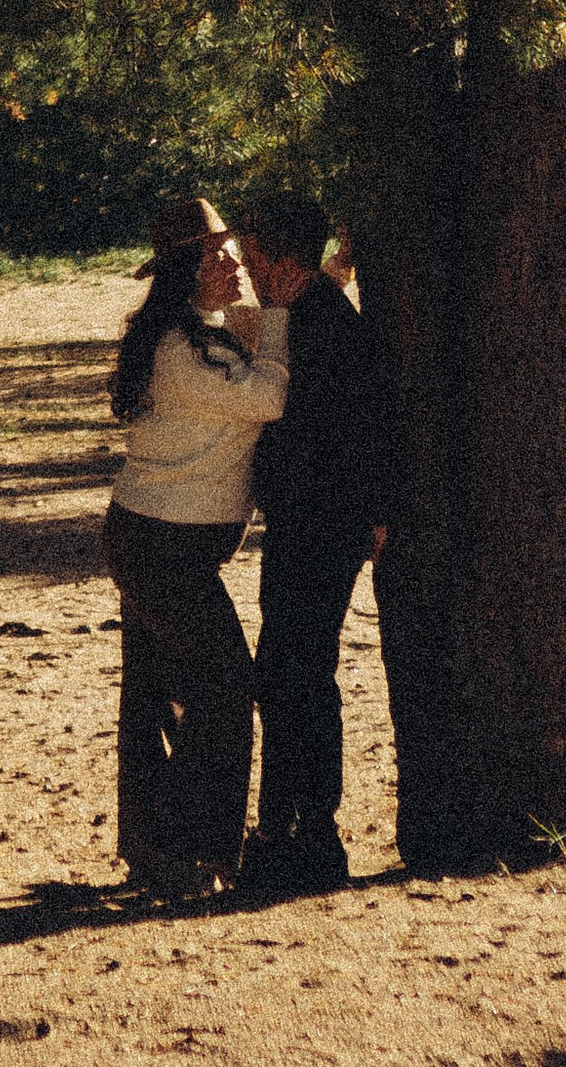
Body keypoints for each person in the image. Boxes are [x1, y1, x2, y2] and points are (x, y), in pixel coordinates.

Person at [103, 195, 291, 900]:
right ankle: (190, 849)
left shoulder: (196, 331)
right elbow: (269, 397)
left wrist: (314, 283)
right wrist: (277, 314)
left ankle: (154, 847)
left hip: (152, 540)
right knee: (224, 688)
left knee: (155, 693)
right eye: (216, 255)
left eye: (232, 249)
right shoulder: (181, 352)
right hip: (160, 548)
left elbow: (251, 342)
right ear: (184, 270)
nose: (234, 262)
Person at [235, 190, 392, 896]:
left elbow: (363, 427)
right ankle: (291, 828)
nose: (246, 267)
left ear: (280, 261)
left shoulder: (319, 325)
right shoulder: (309, 312)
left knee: (295, 675)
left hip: (320, 524)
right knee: (290, 673)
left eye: (253, 255)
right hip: (310, 521)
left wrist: (371, 511)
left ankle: (305, 834)